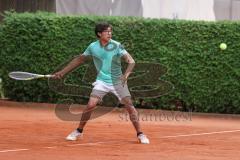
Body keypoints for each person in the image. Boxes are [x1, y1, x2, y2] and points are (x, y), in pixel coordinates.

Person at [53, 22, 149, 144]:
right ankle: (79, 131)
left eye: (110, 31)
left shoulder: (116, 45)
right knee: (91, 105)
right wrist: (63, 72)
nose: (110, 33)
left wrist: (126, 75)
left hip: (118, 81)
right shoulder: (93, 47)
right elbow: (79, 59)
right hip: (102, 81)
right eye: (107, 31)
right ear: (99, 34)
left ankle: (140, 134)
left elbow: (131, 61)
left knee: (129, 106)